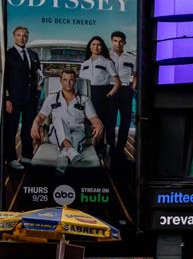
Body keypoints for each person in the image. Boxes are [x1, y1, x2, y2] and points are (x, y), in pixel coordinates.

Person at [29, 69, 104, 173]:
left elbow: (94, 119)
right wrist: (35, 124)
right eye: (65, 80)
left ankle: (64, 154)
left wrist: (98, 124)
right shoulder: (52, 98)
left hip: (78, 132)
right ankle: (70, 150)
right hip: (55, 133)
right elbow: (41, 117)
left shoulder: (84, 100)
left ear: (75, 81)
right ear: (60, 81)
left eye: (71, 80)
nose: (68, 83)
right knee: (59, 119)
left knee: (74, 137)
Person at [3, 26, 42, 170]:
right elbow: (4, 78)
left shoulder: (33, 54)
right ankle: (11, 158)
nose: (22, 38)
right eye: (19, 35)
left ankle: (26, 156)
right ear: (14, 36)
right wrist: (6, 99)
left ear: (28, 37)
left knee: (27, 129)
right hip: (13, 99)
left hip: (30, 99)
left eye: (24, 35)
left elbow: (39, 75)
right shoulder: (7, 55)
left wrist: (38, 91)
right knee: (11, 130)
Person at [79, 36, 120, 159]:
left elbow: (117, 83)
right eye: (93, 44)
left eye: (98, 45)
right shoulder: (84, 64)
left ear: (102, 47)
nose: (96, 47)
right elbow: (80, 82)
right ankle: (87, 152)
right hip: (85, 94)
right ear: (90, 47)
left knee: (99, 125)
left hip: (100, 94)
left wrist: (108, 95)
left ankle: (99, 153)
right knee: (86, 123)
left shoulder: (107, 62)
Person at [108, 31, 136, 161]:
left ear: (124, 42)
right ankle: (110, 150)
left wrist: (133, 88)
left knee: (125, 122)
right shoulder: (106, 57)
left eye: (120, 41)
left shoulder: (131, 58)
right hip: (111, 90)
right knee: (110, 122)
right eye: (115, 41)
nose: (118, 44)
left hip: (125, 90)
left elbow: (136, 74)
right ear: (111, 41)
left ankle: (119, 151)